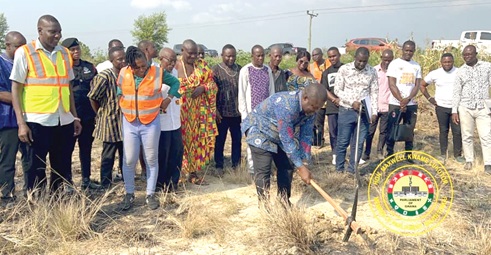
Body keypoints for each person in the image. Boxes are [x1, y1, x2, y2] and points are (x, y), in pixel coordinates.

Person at [10, 15, 82, 194]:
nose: (57, 36)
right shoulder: (25, 52)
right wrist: (21, 124)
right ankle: (37, 207)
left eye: (59, 32)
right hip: (37, 121)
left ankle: (57, 204)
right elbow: (16, 89)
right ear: (40, 31)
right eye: (53, 32)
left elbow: (68, 87)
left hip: (63, 120)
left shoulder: (65, 53)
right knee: (35, 168)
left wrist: (74, 116)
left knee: (61, 166)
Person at [241, 83, 327, 203]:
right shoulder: (287, 105)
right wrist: (301, 168)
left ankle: (283, 201)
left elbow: (306, 135)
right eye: (313, 107)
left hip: (279, 133)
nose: (315, 111)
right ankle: (265, 205)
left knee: (286, 166)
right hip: (259, 130)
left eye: (318, 108)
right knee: (264, 169)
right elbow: (287, 138)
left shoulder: (312, 109)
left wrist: (304, 161)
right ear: (305, 98)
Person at [117, 46, 180, 210]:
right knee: (129, 159)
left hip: (151, 122)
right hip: (130, 122)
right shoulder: (124, 72)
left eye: (144, 65)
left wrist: (168, 99)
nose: (142, 69)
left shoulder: (157, 72)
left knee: (151, 159)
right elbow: (119, 90)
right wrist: (120, 103)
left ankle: (150, 194)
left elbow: (175, 83)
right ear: (130, 66)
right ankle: (129, 194)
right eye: (137, 67)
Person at [175, 39, 217, 185]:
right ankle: (178, 173)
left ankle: (192, 173)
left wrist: (203, 88)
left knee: (196, 141)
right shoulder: (175, 66)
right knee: (179, 142)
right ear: (182, 51)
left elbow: (212, 83)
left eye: (196, 54)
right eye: (190, 53)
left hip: (199, 112)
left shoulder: (202, 66)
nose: (194, 57)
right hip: (179, 112)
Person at [61, 38, 99, 190]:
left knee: (86, 148)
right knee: (67, 149)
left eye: (77, 49)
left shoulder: (89, 67)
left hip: (88, 116)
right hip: (70, 116)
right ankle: (67, 181)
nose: (76, 52)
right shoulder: (63, 68)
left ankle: (86, 179)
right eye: (72, 50)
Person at [334, 47, 378, 173]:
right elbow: (338, 90)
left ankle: (352, 170)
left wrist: (374, 111)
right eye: (359, 61)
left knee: (358, 144)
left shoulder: (372, 71)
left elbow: (374, 92)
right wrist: (351, 102)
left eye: (364, 61)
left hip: (364, 113)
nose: (361, 64)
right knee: (343, 141)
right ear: (355, 58)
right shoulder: (344, 69)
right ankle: (339, 170)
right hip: (347, 110)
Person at [88, 46, 125, 190]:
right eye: (119, 59)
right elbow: (93, 97)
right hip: (109, 122)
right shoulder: (104, 77)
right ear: (111, 60)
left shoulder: (126, 76)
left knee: (125, 153)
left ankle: (124, 178)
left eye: (124, 58)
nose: (122, 62)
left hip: (124, 121)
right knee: (108, 155)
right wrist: (100, 113)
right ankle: (105, 183)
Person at [452, 45, 491, 173]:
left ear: (476, 54)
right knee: (467, 135)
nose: (467, 57)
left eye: (469, 54)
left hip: (483, 107)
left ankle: (488, 163)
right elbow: (456, 92)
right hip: (465, 107)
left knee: (486, 136)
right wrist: (454, 111)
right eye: (464, 55)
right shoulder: (460, 71)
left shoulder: (487, 67)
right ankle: (469, 160)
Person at [238, 44, 275, 177]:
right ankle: (252, 170)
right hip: (251, 114)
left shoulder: (267, 70)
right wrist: (245, 115)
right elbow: (241, 94)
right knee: (252, 142)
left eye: (262, 56)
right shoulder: (246, 70)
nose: (260, 58)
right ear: (252, 56)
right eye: (257, 56)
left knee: (266, 141)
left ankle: (264, 169)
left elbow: (271, 91)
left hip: (266, 114)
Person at [420, 53, 464, 164]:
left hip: (456, 107)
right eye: (445, 62)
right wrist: (430, 98)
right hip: (441, 107)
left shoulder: (460, 72)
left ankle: (457, 155)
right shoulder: (435, 73)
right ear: (441, 62)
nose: (447, 64)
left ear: (453, 62)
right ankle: (443, 154)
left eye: (449, 62)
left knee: (457, 132)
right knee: (443, 131)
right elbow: (422, 85)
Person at [0, 31, 26, 203]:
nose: (21, 50)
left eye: (23, 46)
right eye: (17, 46)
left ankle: (30, 192)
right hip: (6, 118)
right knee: (7, 160)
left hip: (24, 118)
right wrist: (23, 100)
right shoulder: (1, 63)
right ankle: (6, 194)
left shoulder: (24, 62)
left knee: (29, 158)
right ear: (7, 45)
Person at [386, 40, 422, 159]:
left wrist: (408, 99)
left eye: (411, 51)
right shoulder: (394, 64)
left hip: (410, 104)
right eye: (406, 50)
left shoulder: (416, 65)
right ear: (402, 50)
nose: (408, 53)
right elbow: (392, 84)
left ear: (414, 51)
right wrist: (401, 100)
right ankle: (390, 153)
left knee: (409, 129)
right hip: (395, 103)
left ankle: (408, 154)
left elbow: (417, 85)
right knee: (392, 128)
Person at [213, 44, 242, 176]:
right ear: (222, 55)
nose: (231, 58)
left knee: (237, 139)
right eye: (228, 56)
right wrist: (215, 111)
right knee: (220, 140)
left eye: (233, 56)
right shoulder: (215, 70)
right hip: (221, 113)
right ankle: (219, 165)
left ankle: (236, 164)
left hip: (236, 112)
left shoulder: (240, 69)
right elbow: (211, 93)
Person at [156, 47, 183, 191]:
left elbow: (179, 93)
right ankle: (160, 185)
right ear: (161, 59)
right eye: (169, 60)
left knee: (176, 154)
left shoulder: (176, 73)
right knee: (162, 156)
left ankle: (173, 183)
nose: (172, 63)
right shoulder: (155, 74)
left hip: (176, 121)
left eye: (174, 60)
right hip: (162, 124)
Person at [362, 49, 394, 162]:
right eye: (385, 60)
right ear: (381, 58)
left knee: (383, 131)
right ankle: (366, 152)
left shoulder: (394, 72)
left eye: (390, 60)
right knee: (370, 131)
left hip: (387, 106)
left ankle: (380, 151)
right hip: (373, 106)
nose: (387, 63)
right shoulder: (374, 70)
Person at [320, 47, 344, 164]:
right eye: (330, 57)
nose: (332, 58)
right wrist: (334, 99)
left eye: (334, 56)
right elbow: (324, 89)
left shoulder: (346, 69)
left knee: (344, 131)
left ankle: (342, 152)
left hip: (346, 104)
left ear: (339, 55)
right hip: (332, 106)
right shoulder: (326, 73)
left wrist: (343, 99)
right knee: (333, 131)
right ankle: (335, 153)